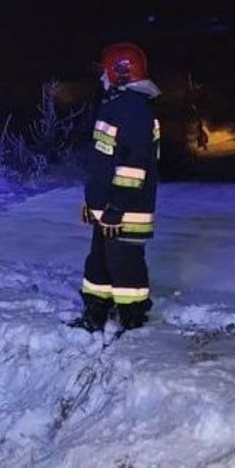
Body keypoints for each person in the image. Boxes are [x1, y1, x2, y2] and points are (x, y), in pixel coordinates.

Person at [71, 42, 161, 332]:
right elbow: (103, 162)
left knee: (126, 269)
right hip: (109, 212)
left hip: (125, 212)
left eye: (105, 71)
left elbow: (133, 167)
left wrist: (116, 207)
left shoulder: (134, 109)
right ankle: (95, 314)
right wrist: (93, 203)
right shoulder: (118, 105)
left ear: (120, 72)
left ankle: (133, 322)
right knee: (98, 265)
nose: (102, 77)